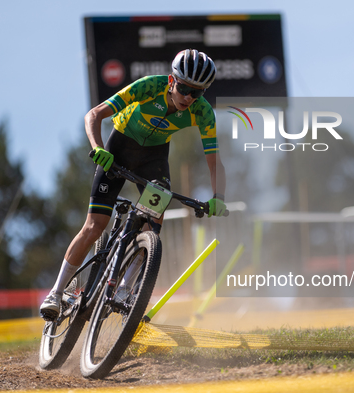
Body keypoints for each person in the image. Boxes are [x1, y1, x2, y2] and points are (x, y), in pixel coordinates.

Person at [40, 49, 227, 319]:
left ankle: (125, 290)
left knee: (154, 224)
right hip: (119, 148)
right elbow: (93, 115)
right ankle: (56, 293)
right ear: (173, 81)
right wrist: (98, 148)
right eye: (185, 88)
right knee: (95, 226)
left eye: (196, 93)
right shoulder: (149, 86)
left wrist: (218, 196)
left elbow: (214, 162)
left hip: (154, 158)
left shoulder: (204, 113)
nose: (188, 97)